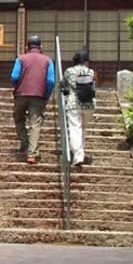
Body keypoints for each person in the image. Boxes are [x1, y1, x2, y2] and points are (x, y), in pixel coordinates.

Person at [11, 35, 55, 164]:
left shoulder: (21, 58)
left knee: (18, 119)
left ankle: (25, 143)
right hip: (39, 96)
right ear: (41, 47)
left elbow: (14, 76)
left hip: (21, 94)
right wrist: (46, 94)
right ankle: (32, 153)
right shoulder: (47, 61)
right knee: (35, 124)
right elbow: (51, 81)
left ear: (27, 47)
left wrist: (17, 86)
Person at [61, 50, 96, 167]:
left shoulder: (69, 71)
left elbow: (62, 85)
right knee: (83, 127)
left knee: (75, 128)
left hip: (74, 104)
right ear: (86, 61)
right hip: (89, 104)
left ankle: (78, 155)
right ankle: (81, 151)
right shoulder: (90, 72)